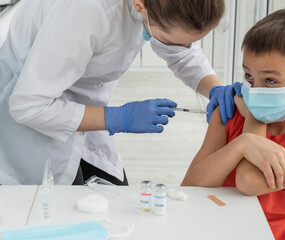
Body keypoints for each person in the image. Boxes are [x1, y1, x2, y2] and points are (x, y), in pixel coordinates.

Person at [0, 0, 240, 185]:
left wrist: (215, 88)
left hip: (80, 102)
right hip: (31, 114)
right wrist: (117, 117)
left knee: (114, 196)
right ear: (140, 5)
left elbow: (182, 50)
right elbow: (28, 106)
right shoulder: (87, 11)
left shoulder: (159, 10)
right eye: (173, 41)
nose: (184, 48)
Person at [182, 8, 285, 240]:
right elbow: (189, 187)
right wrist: (242, 144)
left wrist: (254, 122)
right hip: (211, 230)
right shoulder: (229, 114)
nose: (255, 90)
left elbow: (249, 182)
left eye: (270, 80)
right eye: (249, 77)